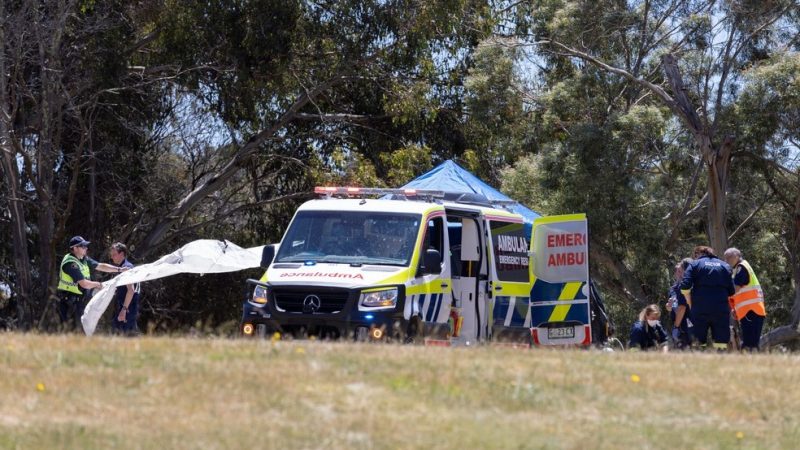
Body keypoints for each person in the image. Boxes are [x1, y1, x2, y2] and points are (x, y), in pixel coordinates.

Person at [56, 236, 126, 331]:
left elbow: (100, 266)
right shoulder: (70, 263)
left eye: (86, 246)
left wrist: (119, 269)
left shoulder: (83, 259)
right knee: (70, 332)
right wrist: (98, 284)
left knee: (81, 331)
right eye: (83, 246)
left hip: (79, 301)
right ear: (75, 248)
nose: (86, 248)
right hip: (69, 303)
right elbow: (84, 284)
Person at [680, 245, 735, 351]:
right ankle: (720, 362)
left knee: (699, 342)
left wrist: (690, 302)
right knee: (721, 342)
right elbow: (731, 291)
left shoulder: (695, 264)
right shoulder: (725, 266)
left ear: (697, 254)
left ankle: (699, 363)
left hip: (700, 309)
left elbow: (685, 286)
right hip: (721, 309)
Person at [723, 248, 766, 351]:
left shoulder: (741, 268)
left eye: (729, 257)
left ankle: (750, 364)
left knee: (749, 343)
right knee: (750, 342)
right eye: (725, 258)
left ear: (737, 256)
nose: (726, 260)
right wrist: (734, 309)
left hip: (751, 311)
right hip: (750, 311)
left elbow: (735, 289)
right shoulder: (738, 269)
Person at [109, 242, 141, 335]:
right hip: (126, 306)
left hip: (128, 307)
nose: (112, 257)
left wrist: (124, 310)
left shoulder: (126, 268)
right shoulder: (122, 267)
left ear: (122, 254)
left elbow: (131, 290)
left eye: (114, 254)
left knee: (125, 335)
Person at [667, 258, 694, 349]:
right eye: (677, 271)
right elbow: (672, 307)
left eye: (680, 271)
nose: (678, 273)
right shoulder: (673, 289)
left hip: (687, 325)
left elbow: (682, 307)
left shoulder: (686, 285)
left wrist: (676, 327)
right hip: (678, 323)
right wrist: (668, 307)